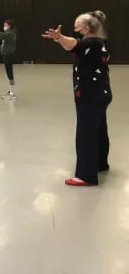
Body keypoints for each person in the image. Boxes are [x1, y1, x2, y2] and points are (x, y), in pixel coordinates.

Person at [42, 10, 112, 186]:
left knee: (86, 133)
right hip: (101, 93)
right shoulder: (101, 42)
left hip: (89, 95)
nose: (75, 27)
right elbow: (75, 46)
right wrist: (62, 39)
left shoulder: (91, 42)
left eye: (77, 25)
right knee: (99, 129)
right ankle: (100, 163)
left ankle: (86, 175)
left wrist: (59, 37)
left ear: (87, 28)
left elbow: (73, 44)